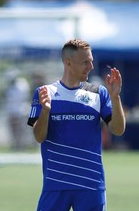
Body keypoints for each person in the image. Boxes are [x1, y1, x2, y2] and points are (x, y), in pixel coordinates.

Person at [27, 39, 126, 211]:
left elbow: (118, 130)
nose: (91, 66)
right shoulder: (45, 93)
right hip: (56, 184)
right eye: (85, 62)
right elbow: (39, 136)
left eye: (91, 61)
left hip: (91, 185)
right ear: (68, 63)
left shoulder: (99, 93)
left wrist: (115, 97)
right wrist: (45, 111)